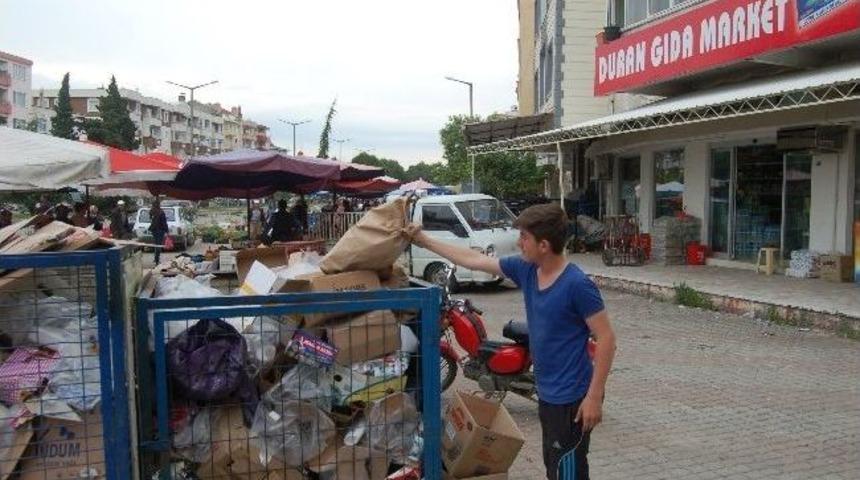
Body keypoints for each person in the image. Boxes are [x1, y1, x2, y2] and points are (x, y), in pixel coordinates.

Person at [405, 202, 616, 480]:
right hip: (549, 393)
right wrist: (423, 240)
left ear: (543, 245)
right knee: (555, 465)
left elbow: (607, 339)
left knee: (568, 470)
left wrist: (593, 398)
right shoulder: (527, 270)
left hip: (572, 398)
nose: (519, 243)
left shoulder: (576, 284)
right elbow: (474, 260)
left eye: (524, 237)